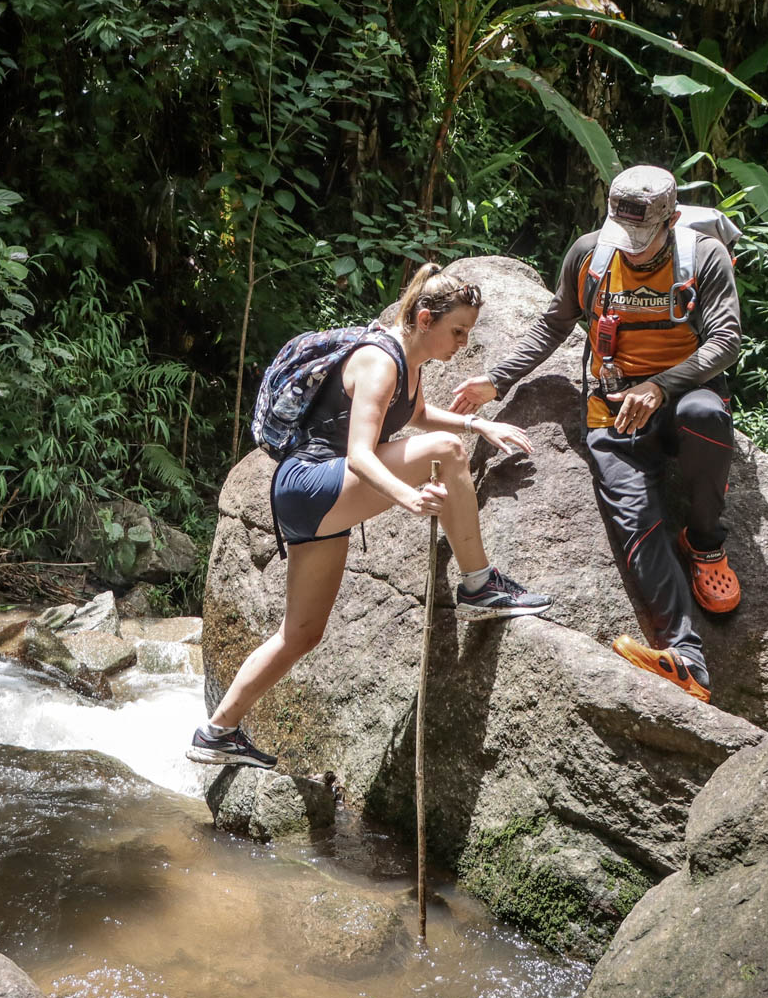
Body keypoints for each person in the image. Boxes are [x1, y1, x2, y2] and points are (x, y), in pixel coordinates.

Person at [188, 264, 553, 769]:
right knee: (446, 450)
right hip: (312, 483)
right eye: (457, 331)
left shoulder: (409, 362)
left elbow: (415, 415)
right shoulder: (381, 361)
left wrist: (477, 424)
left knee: (301, 634)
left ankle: (216, 731)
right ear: (424, 319)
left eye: (467, 332)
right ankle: (479, 585)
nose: (463, 343)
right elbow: (361, 455)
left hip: (311, 497)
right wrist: (407, 497)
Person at [451, 165, 742, 704]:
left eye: (642, 237)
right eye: (621, 233)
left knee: (706, 418)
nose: (630, 247)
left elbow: (725, 341)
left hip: (686, 393)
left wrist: (659, 386)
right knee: (636, 519)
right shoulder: (590, 255)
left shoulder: (703, 257)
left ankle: (704, 543)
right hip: (613, 408)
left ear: (672, 220)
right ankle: (686, 658)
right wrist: (497, 379)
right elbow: (554, 323)